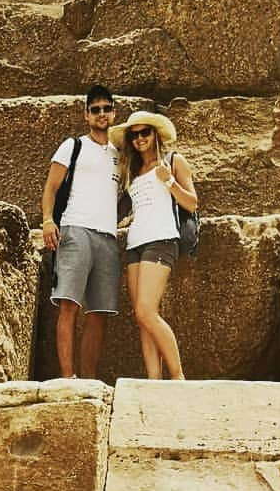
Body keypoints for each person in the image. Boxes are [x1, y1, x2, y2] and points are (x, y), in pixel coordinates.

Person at [40, 86, 121, 380]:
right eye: (95, 109)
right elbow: (51, 186)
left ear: (114, 112)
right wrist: (48, 220)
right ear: (86, 115)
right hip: (75, 229)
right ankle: (67, 379)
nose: (102, 114)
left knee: (99, 312)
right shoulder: (73, 145)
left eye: (106, 108)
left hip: (107, 237)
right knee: (68, 303)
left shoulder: (119, 154)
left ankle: (88, 381)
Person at [111, 109, 197, 381]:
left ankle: (178, 377)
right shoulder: (133, 172)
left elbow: (192, 203)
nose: (139, 139)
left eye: (144, 132)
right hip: (136, 243)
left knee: (146, 311)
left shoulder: (174, 161)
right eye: (134, 135)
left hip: (161, 240)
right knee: (142, 316)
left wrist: (169, 181)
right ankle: (153, 381)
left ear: (155, 134)